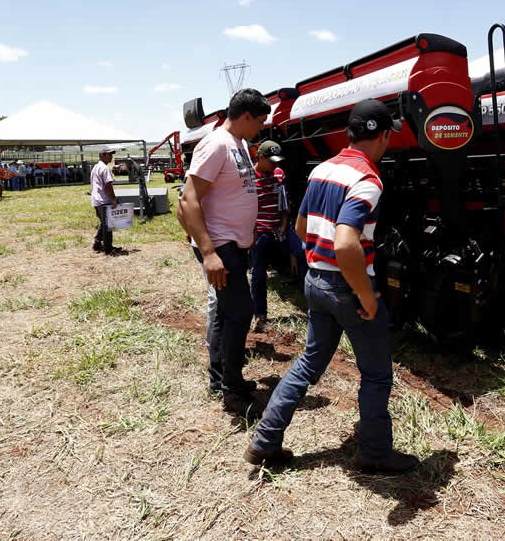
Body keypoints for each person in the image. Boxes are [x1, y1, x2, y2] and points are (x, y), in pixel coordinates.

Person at [245, 99, 419, 474]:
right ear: (384, 135)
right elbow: (345, 241)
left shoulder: (323, 169)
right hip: (347, 286)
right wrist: (366, 295)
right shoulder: (368, 180)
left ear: (351, 132)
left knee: (308, 363)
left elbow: (302, 228)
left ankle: (265, 440)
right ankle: (374, 452)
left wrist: (319, 267)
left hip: (315, 281)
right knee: (375, 373)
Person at [177, 88, 271, 416]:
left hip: (235, 243)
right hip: (220, 245)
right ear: (245, 116)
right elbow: (188, 200)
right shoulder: (216, 144)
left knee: (226, 313)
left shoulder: (240, 144)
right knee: (240, 312)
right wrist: (209, 252)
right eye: (259, 120)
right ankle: (232, 390)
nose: (261, 127)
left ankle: (223, 378)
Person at [249, 139, 308, 333]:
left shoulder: (278, 174)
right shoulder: (248, 177)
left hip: (279, 227)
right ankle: (260, 315)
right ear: (261, 157)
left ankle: (313, 306)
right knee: (259, 273)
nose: (275, 165)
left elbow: (283, 201)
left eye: (278, 161)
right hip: (260, 231)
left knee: (303, 253)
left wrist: (284, 224)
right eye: (272, 161)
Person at [90, 148, 124, 256]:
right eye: (109, 155)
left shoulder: (95, 167)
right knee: (108, 225)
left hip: (96, 199)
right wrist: (113, 200)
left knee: (103, 223)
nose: (111, 157)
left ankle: (97, 243)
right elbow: (108, 185)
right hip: (104, 200)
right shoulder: (104, 168)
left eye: (111, 155)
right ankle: (108, 249)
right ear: (102, 156)